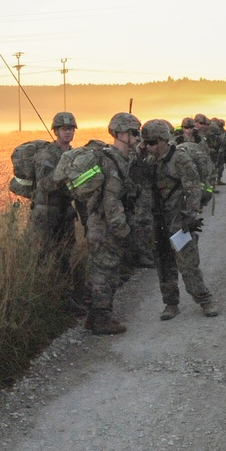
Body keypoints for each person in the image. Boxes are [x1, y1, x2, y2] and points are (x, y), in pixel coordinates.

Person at [141, 119, 219, 320]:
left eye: (152, 142)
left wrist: (191, 215)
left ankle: (204, 299)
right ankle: (170, 303)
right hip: (159, 219)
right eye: (146, 142)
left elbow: (192, 187)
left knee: (187, 262)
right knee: (163, 261)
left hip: (179, 218)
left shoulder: (179, 159)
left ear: (163, 140)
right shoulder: (148, 161)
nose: (149, 146)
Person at [84, 112, 141, 335]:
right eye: (133, 133)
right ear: (119, 134)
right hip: (105, 226)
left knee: (102, 270)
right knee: (105, 272)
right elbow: (112, 202)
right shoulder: (112, 163)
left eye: (138, 132)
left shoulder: (123, 160)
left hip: (104, 224)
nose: (137, 137)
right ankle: (101, 319)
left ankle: (94, 316)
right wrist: (123, 231)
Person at [26, 111, 84, 313]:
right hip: (45, 213)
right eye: (63, 129)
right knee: (41, 256)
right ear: (56, 131)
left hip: (65, 212)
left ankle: (66, 298)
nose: (67, 133)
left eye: (70, 129)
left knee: (64, 256)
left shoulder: (72, 154)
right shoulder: (46, 155)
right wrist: (62, 175)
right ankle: (39, 300)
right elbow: (43, 185)